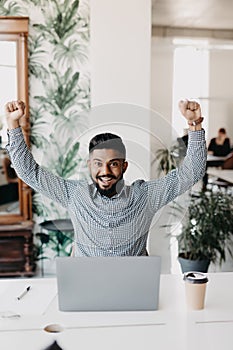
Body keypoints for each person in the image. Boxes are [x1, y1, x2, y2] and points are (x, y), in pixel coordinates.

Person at [4, 100, 207, 256]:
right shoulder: (74, 194)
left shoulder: (145, 196)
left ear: (124, 166)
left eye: (114, 163)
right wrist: (13, 124)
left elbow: (191, 173)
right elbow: (30, 172)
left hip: (133, 288)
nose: (105, 171)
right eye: (98, 163)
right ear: (90, 165)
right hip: (86, 286)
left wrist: (195, 124)